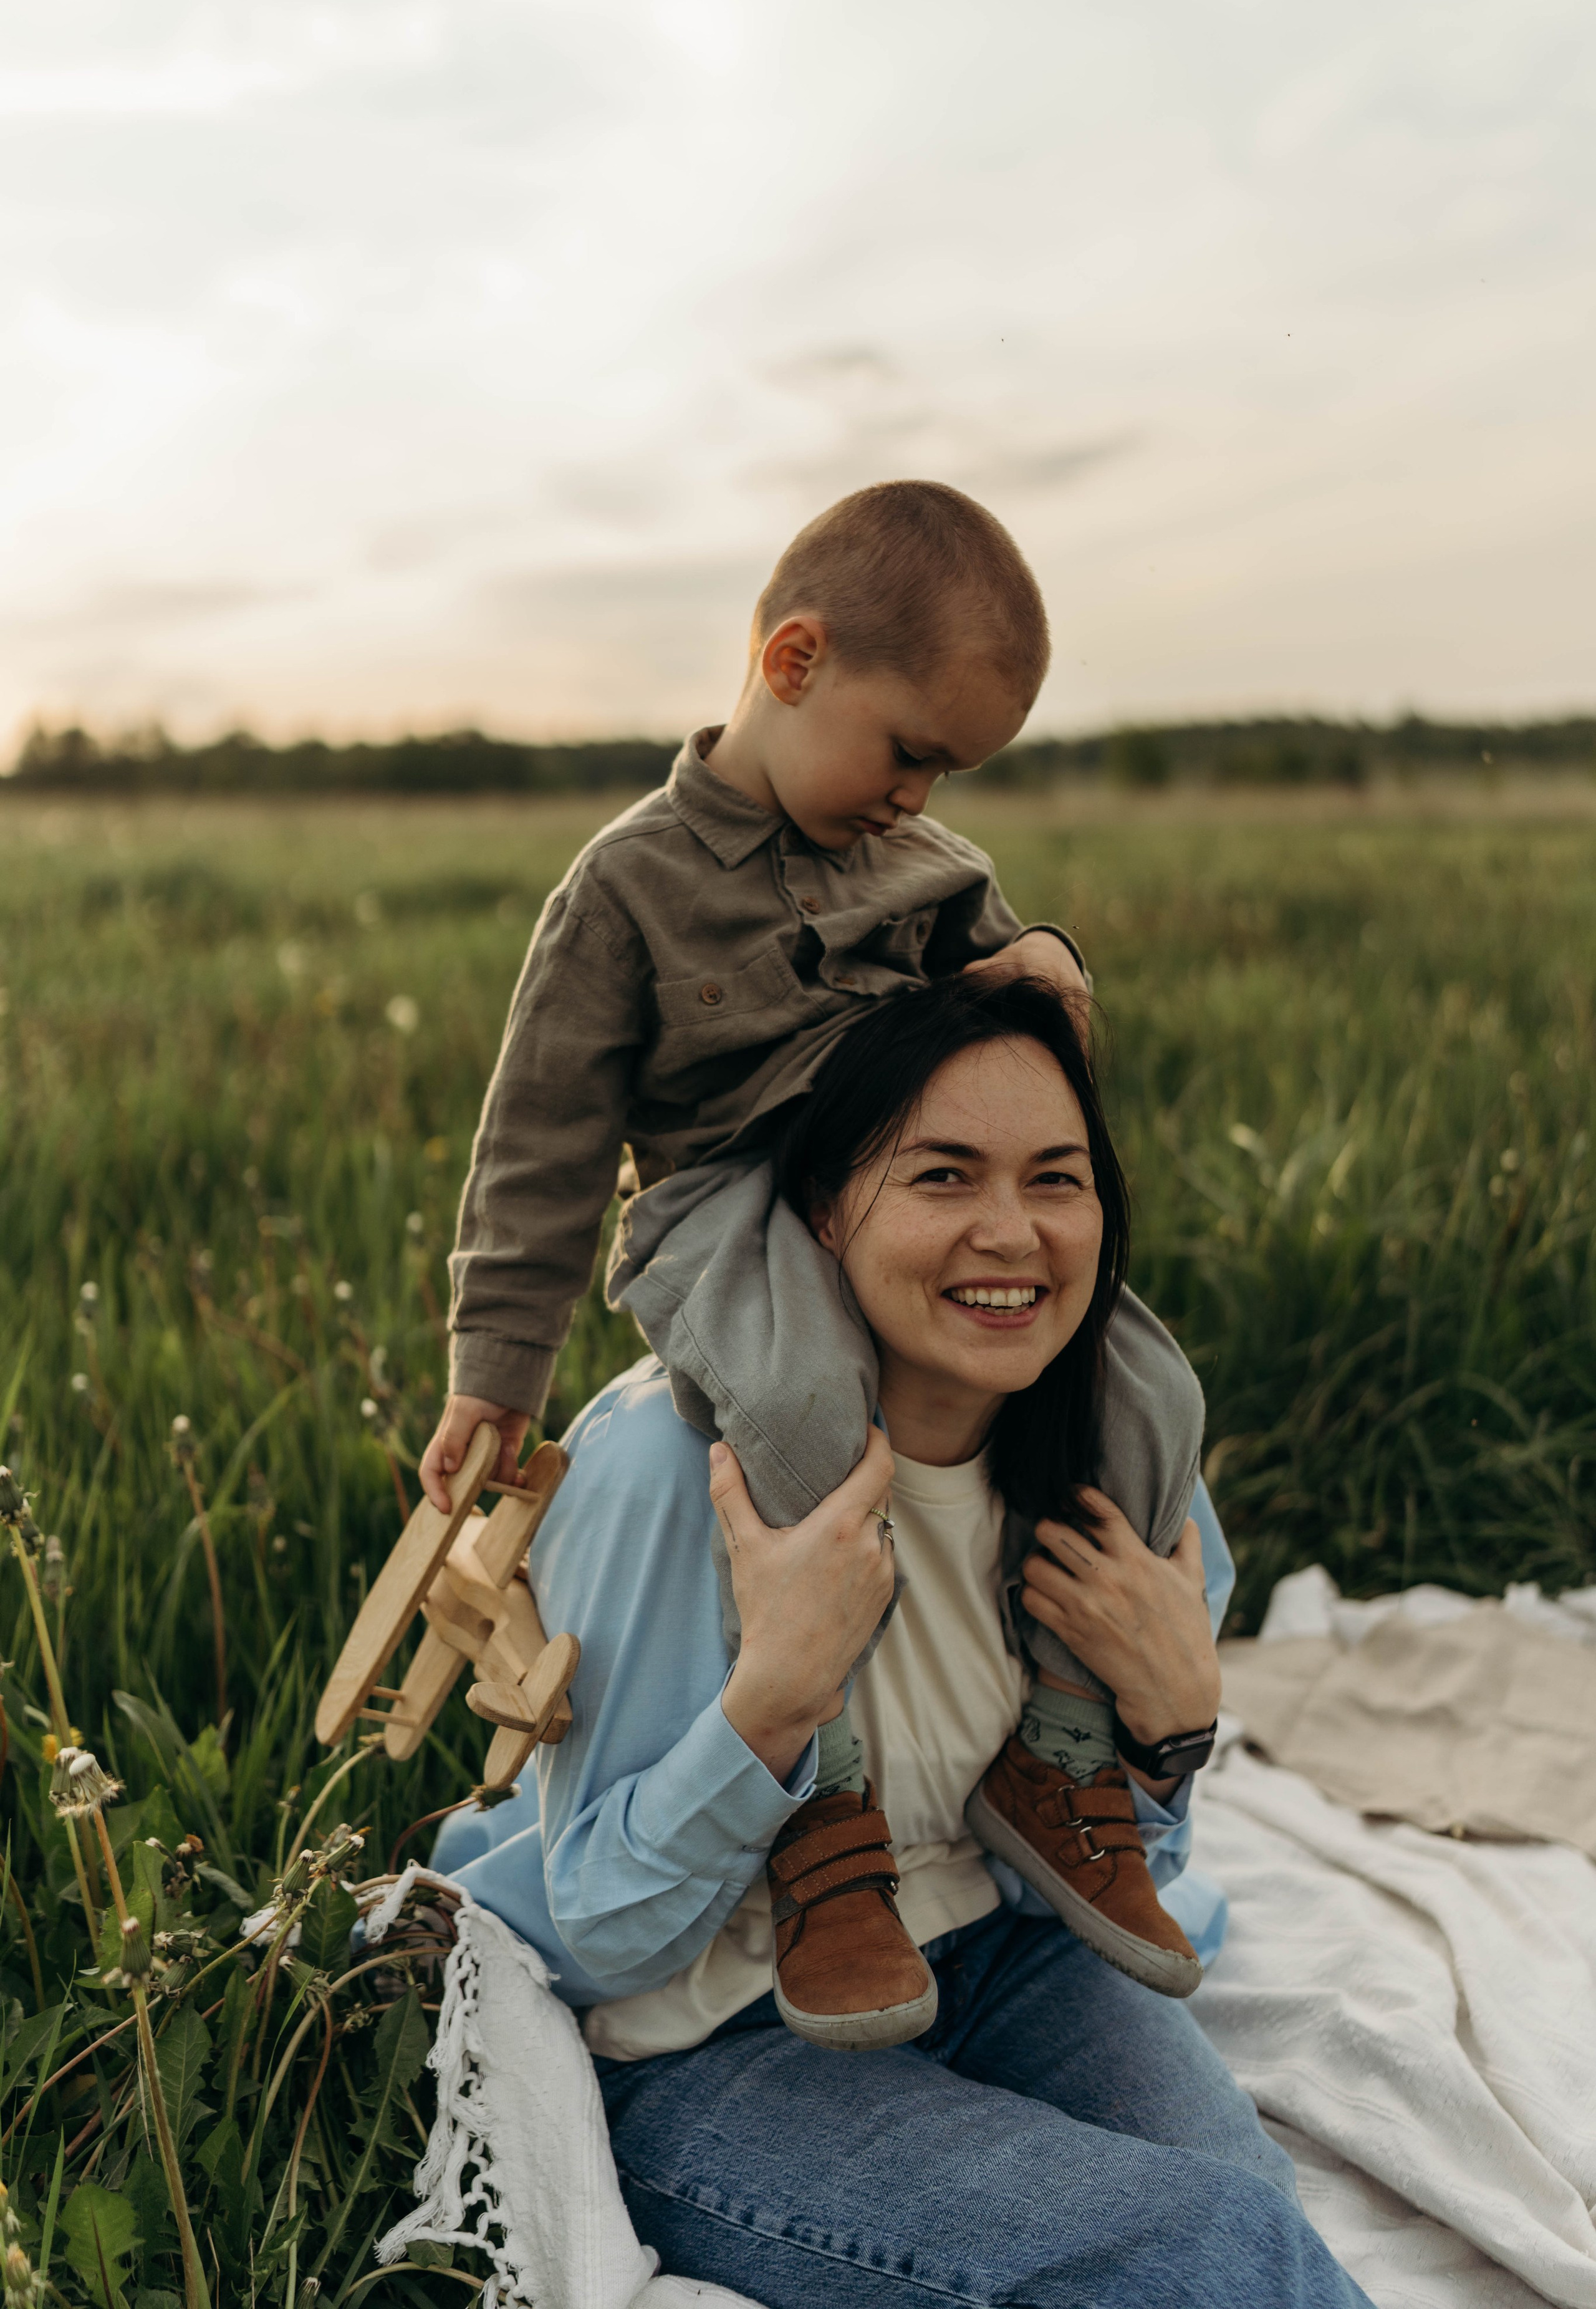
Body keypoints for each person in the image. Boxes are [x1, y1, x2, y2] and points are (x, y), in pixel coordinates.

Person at [430, 976, 1372, 2309]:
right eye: (941, 1176)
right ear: (822, 1212)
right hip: (707, 2034)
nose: (1011, 1234)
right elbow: (596, 1945)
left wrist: (1168, 1737)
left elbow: (1098, 1877)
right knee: (1206, 2252)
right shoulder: (665, 1467)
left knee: (1251, 2221)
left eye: (1056, 1179)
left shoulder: (1113, 1459)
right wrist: (769, 1704)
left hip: (997, 1947)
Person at [421, 480, 1207, 2040]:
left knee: (1142, 1381)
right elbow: (543, 1144)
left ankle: (1058, 1748)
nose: (917, 797)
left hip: (889, 1197)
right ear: (791, 664)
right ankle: (824, 1821)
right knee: (798, 1403)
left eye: (950, 772)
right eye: (908, 750)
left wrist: (1049, 967)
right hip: (726, 1212)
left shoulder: (925, 867)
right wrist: (497, 1369)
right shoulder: (628, 888)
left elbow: (1024, 1027)